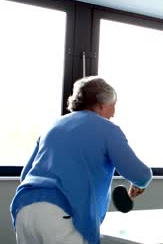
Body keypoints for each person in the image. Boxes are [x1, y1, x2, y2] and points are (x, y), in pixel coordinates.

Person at [10, 76, 152, 244]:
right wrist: (139, 183)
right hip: (61, 214)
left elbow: (25, 175)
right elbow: (141, 174)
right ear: (101, 105)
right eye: (113, 105)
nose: (114, 112)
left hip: (24, 209)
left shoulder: (52, 126)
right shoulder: (108, 130)